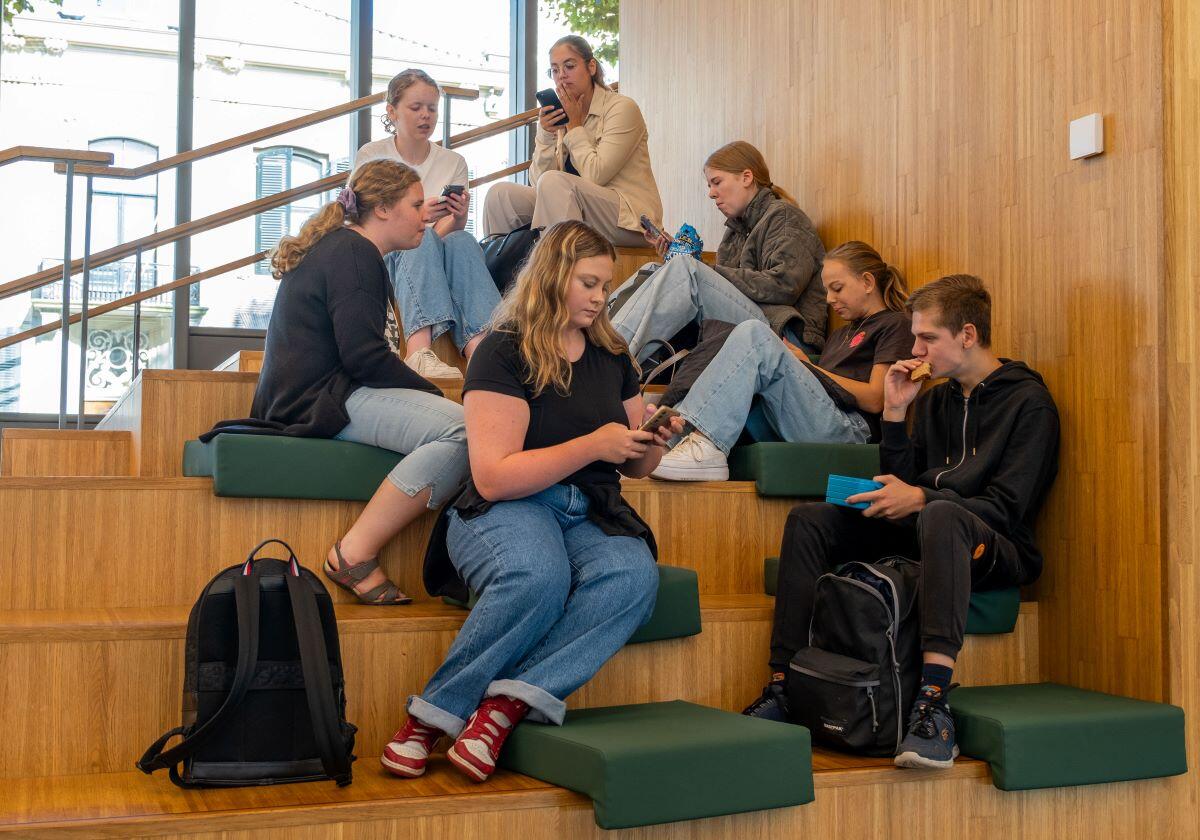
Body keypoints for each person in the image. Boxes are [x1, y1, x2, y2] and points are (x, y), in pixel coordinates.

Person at [379, 221, 685, 783]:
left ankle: (504, 708)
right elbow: (494, 477)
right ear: (551, 278)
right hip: (509, 506)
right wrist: (594, 443)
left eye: (604, 287)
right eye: (588, 283)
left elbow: (633, 465)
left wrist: (651, 447)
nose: (599, 297)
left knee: (632, 577)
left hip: (591, 508)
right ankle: (431, 718)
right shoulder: (503, 350)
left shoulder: (614, 355)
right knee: (537, 576)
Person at [742, 274, 1060, 772]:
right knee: (811, 521)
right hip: (928, 525)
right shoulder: (935, 400)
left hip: (993, 544)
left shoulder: (1029, 404)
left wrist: (920, 499)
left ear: (968, 336)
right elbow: (905, 478)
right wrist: (894, 414)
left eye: (927, 338)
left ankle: (933, 702)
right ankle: (785, 685)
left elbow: (1007, 507)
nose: (915, 349)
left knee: (941, 514)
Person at [246, 158, 470, 604]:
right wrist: (430, 392)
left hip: (326, 393)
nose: (424, 213)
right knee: (466, 430)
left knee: (467, 426)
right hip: (320, 400)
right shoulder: (353, 252)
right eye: (413, 203)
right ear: (383, 209)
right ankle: (355, 552)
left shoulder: (350, 249)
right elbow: (364, 356)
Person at [651, 241, 912, 481]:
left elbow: (877, 398)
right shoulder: (842, 334)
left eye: (838, 288)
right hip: (816, 417)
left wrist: (807, 366)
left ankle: (706, 445)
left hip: (852, 431)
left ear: (867, 282)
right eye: (827, 291)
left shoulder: (894, 324)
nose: (830, 299)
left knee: (756, 333)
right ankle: (671, 444)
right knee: (735, 337)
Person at [610, 140, 827, 362]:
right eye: (709, 186)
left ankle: (611, 356)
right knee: (652, 268)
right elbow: (724, 289)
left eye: (716, 182)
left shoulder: (785, 217)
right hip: (756, 321)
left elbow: (784, 286)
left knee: (687, 270)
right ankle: (603, 337)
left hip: (787, 336)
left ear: (746, 177)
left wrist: (700, 268)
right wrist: (675, 257)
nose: (711, 194)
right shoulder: (735, 230)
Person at [355, 69, 500, 380]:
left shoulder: (453, 162)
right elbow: (364, 222)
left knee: (462, 241)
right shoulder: (372, 155)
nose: (426, 116)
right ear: (392, 112)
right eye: (416, 107)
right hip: (388, 252)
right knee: (416, 234)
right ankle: (419, 350)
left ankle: (482, 352)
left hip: (435, 247)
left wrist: (458, 216)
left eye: (432, 108)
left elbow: (451, 232)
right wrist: (418, 219)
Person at [482, 35, 662, 248]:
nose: (562, 76)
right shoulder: (563, 115)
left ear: (591, 67)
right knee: (500, 195)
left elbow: (596, 175)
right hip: (573, 207)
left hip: (630, 220)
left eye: (569, 66)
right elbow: (539, 183)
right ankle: (503, 277)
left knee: (555, 183)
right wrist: (547, 135)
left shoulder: (622, 108)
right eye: (555, 70)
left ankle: (552, 277)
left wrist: (575, 127)